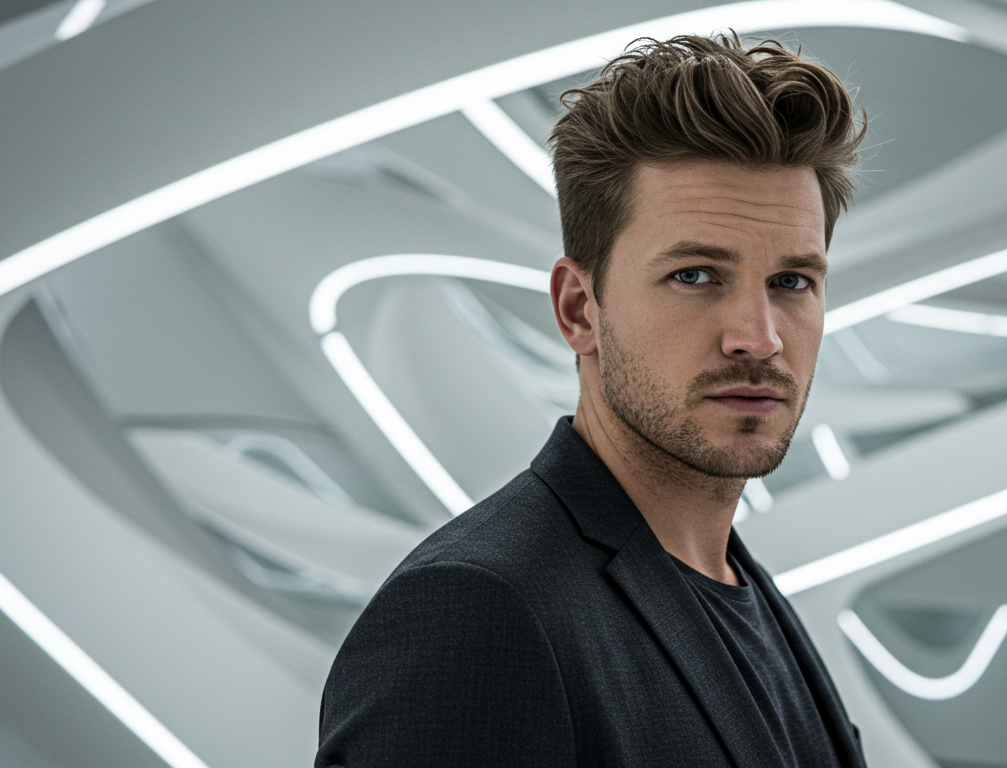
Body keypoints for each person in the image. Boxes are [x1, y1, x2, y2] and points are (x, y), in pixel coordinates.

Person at [316, 33, 866, 767]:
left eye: (792, 282)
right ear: (579, 309)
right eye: (697, 275)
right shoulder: (477, 613)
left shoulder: (742, 589)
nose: (759, 338)